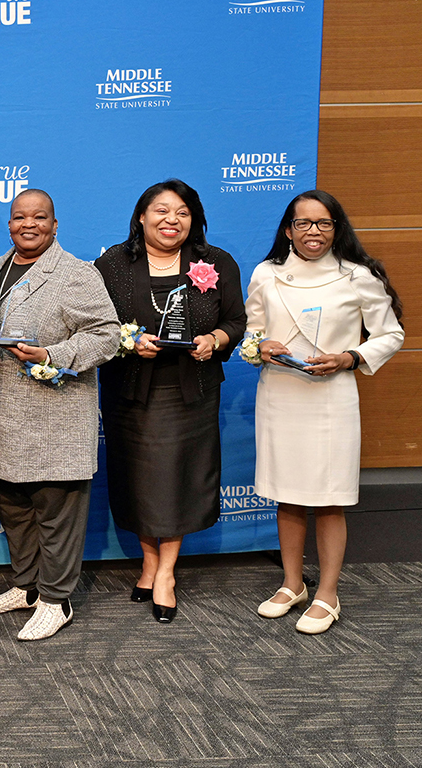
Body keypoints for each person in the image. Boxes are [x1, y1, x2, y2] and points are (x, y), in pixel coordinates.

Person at [248, 190, 403, 634]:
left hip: (332, 398)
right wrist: (262, 347)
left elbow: (390, 334)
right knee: (287, 493)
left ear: (337, 229)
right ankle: (292, 583)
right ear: (288, 230)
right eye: (304, 223)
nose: (313, 232)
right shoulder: (267, 273)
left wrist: (349, 358)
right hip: (280, 394)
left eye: (324, 223)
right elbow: (250, 335)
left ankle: (327, 593)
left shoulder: (358, 275)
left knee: (329, 498)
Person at [94, 179, 245, 623]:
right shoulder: (112, 265)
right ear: (141, 216)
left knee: (179, 477)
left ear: (193, 219)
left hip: (190, 391)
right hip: (131, 391)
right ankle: (148, 562)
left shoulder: (216, 262)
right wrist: (128, 341)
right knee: (137, 479)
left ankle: (167, 574)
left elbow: (235, 320)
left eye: (181, 212)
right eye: (161, 210)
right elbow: (99, 325)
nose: (171, 220)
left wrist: (214, 339)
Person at [0, 189, 119, 641]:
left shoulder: (76, 274)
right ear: (10, 224)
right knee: (14, 508)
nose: (29, 224)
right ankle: (27, 585)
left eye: (40, 217)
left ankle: (56, 600)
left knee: (56, 512)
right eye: (20, 217)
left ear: (55, 225)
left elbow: (108, 336)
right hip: (1, 416)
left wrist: (54, 354)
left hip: (55, 416)